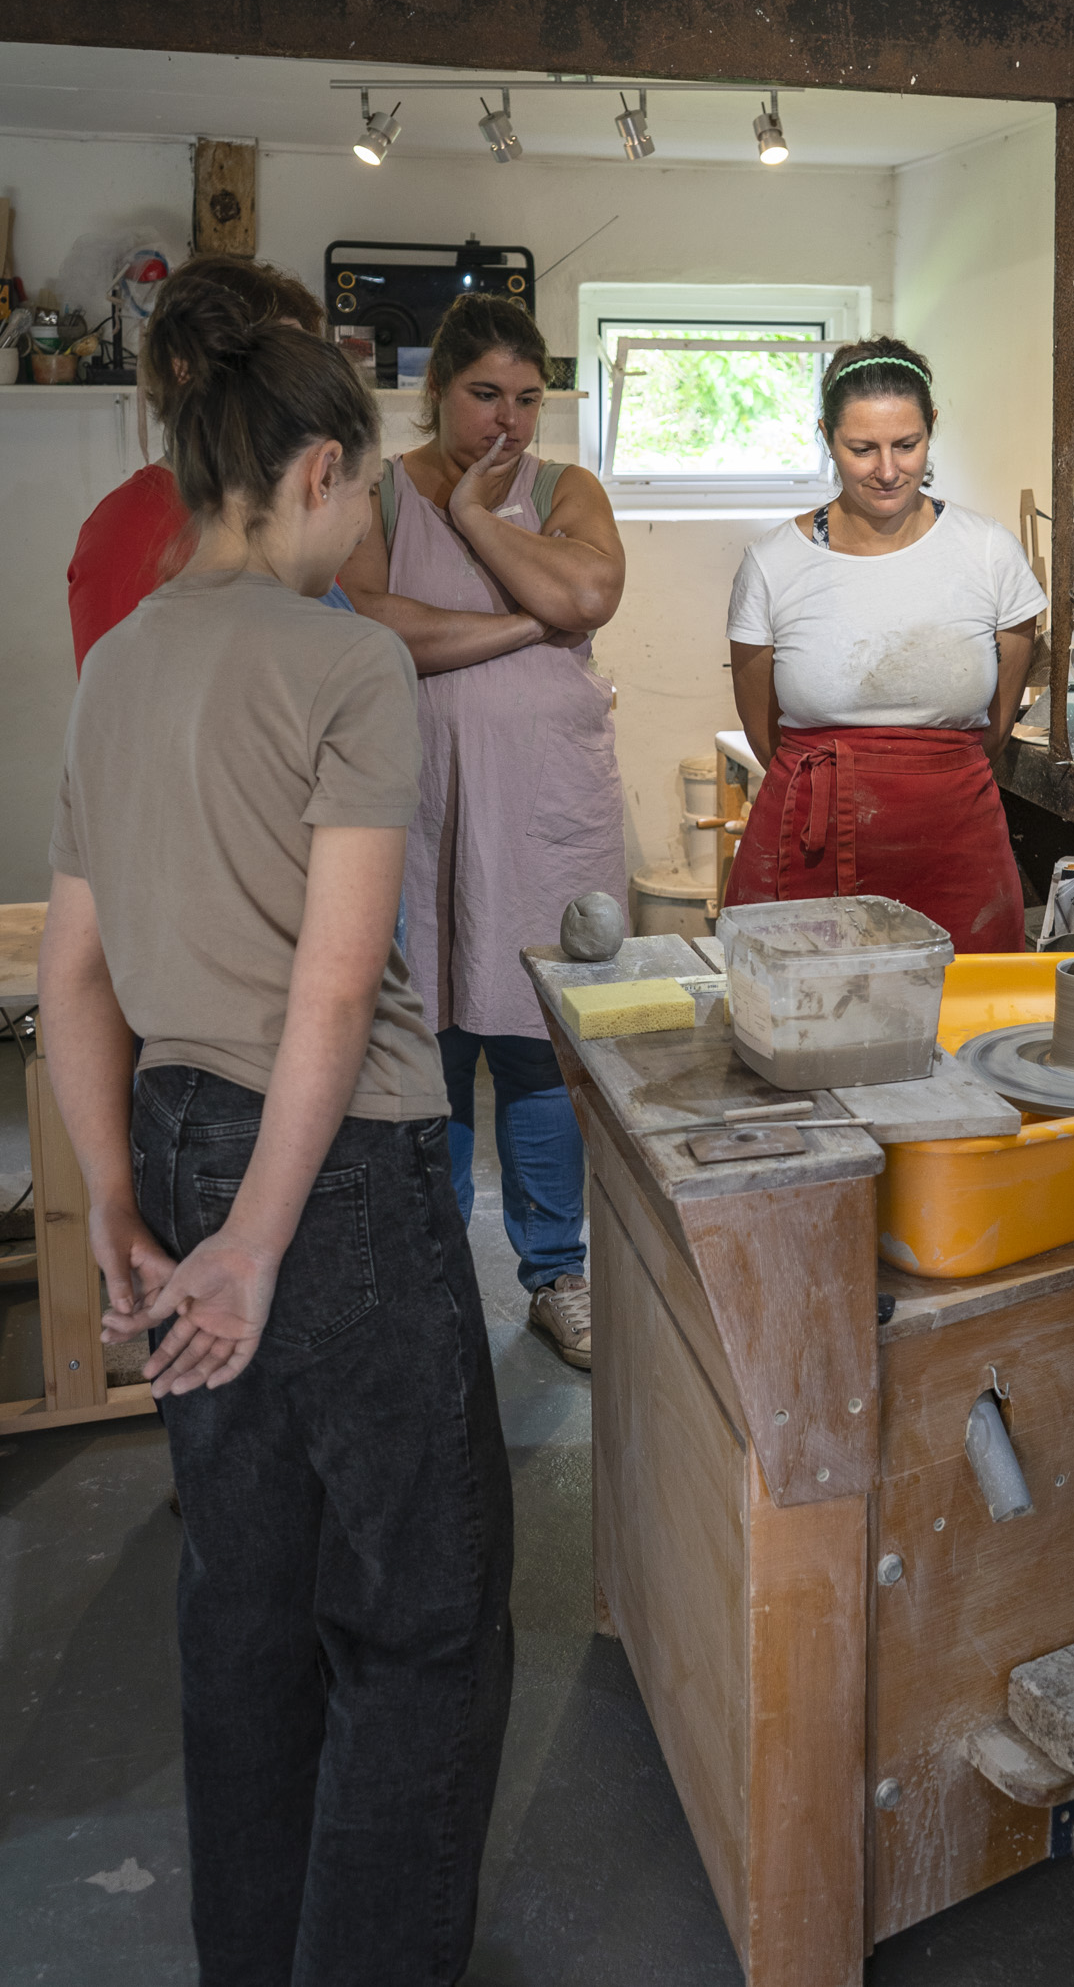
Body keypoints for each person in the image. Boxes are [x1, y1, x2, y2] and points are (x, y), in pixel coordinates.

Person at [38, 292, 514, 1987]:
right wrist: (255, 1233)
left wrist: (117, 1196)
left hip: (170, 1130)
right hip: (337, 1174)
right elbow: (334, 989)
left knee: (244, 1594)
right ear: (317, 470)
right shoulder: (346, 660)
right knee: (423, 1614)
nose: (366, 521)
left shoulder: (118, 661)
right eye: (367, 489)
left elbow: (74, 970)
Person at [340, 292, 625, 1371]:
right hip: (423, 807)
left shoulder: (563, 489)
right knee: (432, 1035)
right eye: (484, 394)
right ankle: (438, 1279)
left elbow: (590, 591)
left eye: (527, 398)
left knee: (539, 1040)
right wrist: (526, 621)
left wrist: (476, 518)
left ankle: (556, 1274)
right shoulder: (378, 491)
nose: (507, 419)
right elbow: (374, 626)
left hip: (546, 810)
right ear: (436, 390)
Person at [724, 337, 1045, 952]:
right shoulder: (772, 564)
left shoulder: (989, 553)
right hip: (811, 840)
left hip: (955, 842)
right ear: (826, 437)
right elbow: (764, 731)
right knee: (803, 1007)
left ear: (932, 429)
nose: (889, 470)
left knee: (965, 1004)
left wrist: (924, 779)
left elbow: (997, 724)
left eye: (907, 444)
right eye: (862, 449)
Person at [66, 254, 325, 669]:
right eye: (276, 365)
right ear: (184, 370)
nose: (300, 391)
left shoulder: (299, 501)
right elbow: (119, 699)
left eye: (304, 368)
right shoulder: (126, 527)